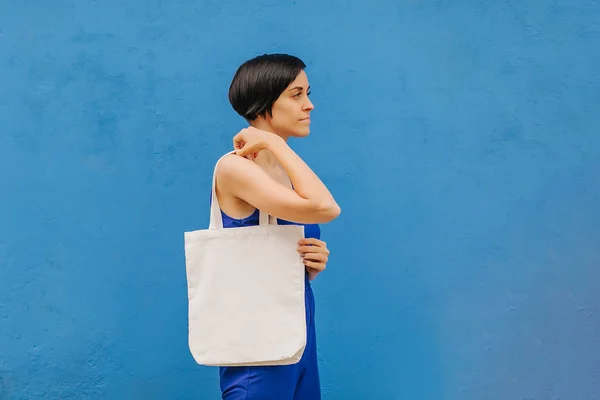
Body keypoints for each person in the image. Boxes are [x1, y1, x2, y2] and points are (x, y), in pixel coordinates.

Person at [213, 53, 341, 399]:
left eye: (308, 93)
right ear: (264, 102)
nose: (309, 105)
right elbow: (325, 207)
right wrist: (270, 140)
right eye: (296, 94)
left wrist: (309, 264)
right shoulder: (236, 169)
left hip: (297, 330)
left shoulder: (284, 173)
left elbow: (313, 215)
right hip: (260, 340)